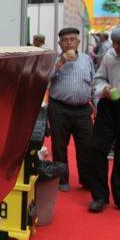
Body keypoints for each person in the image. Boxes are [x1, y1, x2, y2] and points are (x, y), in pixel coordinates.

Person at [47, 27, 95, 192]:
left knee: (86, 146)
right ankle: (62, 180)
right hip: (59, 108)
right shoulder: (54, 59)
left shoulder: (87, 60)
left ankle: (87, 180)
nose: (69, 43)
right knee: (59, 146)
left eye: (72, 39)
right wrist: (60, 63)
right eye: (65, 40)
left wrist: (95, 105)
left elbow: (93, 83)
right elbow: (45, 79)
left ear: (78, 42)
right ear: (60, 44)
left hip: (83, 110)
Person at [88, 28, 120, 212]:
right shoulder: (110, 55)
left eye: (118, 44)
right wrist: (105, 88)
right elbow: (98, 79)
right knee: (97, 148)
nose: (114, 47)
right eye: (114, 43)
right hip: (109, 106)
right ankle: (100, 196)